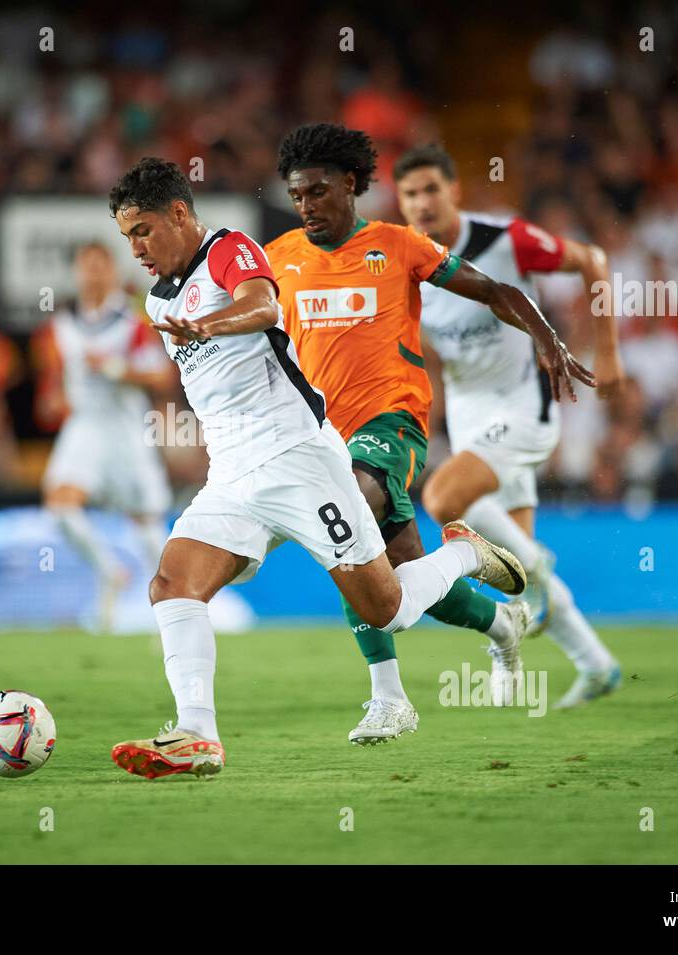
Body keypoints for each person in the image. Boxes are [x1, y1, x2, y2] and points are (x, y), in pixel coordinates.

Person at [105, 157, 527, 779]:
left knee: (389, 610)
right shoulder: (156, 298)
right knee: (172, 585)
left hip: (301, 459)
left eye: (142, 229)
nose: (136, 247)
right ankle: (197, 733)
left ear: (178, 213)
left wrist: (209, 322)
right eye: (126, 238)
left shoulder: (229, 250)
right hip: (232, 476)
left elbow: (262, 306)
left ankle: (462, 552)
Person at [267, 124, 598, 738]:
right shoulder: (279, 256)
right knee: (394, 583)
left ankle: (389, 698)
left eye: (317, 191)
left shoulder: (400, 245)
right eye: (297, 195)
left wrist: (547, 338)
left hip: (391, 421)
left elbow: (494, 290)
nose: (307, 205)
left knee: (347, 515)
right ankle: (501, 620)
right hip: (322, 433)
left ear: (349, 184)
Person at [395, 143, 624, 707]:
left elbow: (592, 258)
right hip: (472, 415)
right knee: (510, 566)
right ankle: (595, 664)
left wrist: (609, 353)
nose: (422, 203)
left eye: (431, 189)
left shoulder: (504, 240)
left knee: (444, 497)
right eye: (410, 194)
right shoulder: (408, 260)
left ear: (455, 192)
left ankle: (543, 570)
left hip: (525, 404)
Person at [37, 241, 176, 632]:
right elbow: (56, 379)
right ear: (77, 272)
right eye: (86, 266)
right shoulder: (63, 323)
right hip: (84, 426)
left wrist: (115, 368)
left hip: (126, 428)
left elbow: (162, 376)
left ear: (113, 271)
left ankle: (173, 604)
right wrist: (54, 397)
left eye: (100, 266)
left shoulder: (132, 319)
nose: (93, 274)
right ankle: (111, 571)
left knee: (145, 521)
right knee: (60, 506)